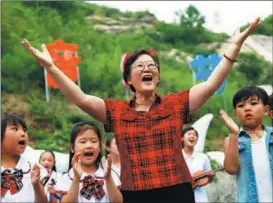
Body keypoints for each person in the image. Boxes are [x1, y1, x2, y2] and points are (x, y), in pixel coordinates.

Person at [22, 17, 261, 202]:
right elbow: (81, 98)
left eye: (152, 66)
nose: (148, 68)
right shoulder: (116, 112)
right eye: (139, 66)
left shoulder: (175, 104)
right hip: (135, 194)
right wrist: (52, 67)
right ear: (129, 79)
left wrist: (236, 46)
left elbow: (211, 84)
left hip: (177, 191)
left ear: (156, 77)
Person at [221, 85, 273, 202]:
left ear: (266, 110)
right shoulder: (231, 140)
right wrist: (234, 134)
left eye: (253, 103)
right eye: (241, 105)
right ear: (235, 113)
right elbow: (230, 169)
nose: (247, 108)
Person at [55, 121, 122, 202]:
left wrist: (108, 178)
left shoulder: (111, 174)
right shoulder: (67, 178)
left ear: (100, 147)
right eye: (83, 142)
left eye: (94, 141)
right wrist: (76, 178)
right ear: (72, 148)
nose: (89, 145)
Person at [1, 114, 48, 203]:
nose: (23, 134)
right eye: (15, 129)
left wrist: (36, 185)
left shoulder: (34, 168)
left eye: (24, 130)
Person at [181, 127, 215, 202]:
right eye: (189, 134)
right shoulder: (177, 156)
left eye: (194, 135)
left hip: (199, 198)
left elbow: (208, 179)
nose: (192, 136)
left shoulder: (203, 157)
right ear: (182, 138)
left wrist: (211, 177)